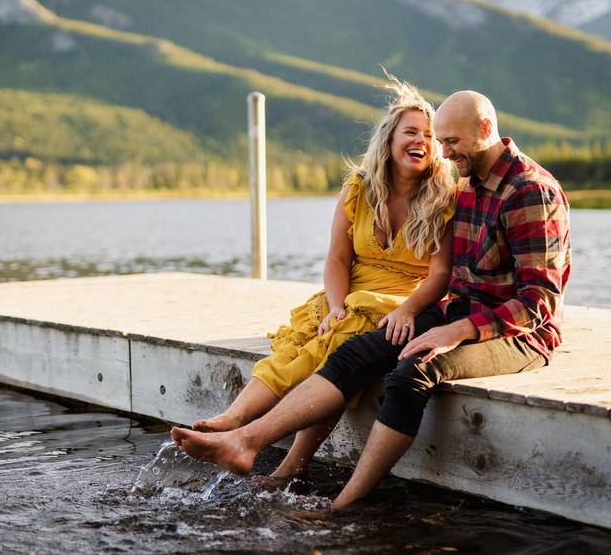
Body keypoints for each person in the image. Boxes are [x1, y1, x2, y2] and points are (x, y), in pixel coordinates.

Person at [172, 90, 571, 509]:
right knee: (354, 353)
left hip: (521, 335)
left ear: (486, 129)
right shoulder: (469, 185)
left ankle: (341, 506)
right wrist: (433, 317)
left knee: (411, 373)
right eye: (442, 142)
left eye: (449, 142)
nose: (444, 152)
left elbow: (538, 300)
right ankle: (246, 440)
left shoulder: (530, 191)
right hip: (462, 315)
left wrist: (455, 329)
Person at [191, 75, 456, 481]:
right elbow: (336, 258)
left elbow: (440, 275)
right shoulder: (360, 188)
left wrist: (408, 310)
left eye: (429, 135)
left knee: (327, 360)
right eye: (410, 132)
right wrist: (334, 306)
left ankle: (273, 457)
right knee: (295, 349)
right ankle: (233, 419)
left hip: (396, 302)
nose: (420, 140)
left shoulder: (442, 198)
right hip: (347, 294)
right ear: (389, 139)